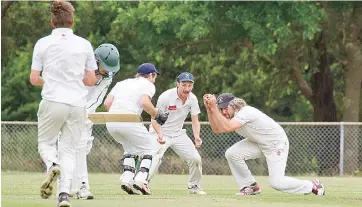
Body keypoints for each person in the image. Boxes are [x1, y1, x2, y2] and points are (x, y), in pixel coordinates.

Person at [30, 1, 98, 206]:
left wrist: (48, 81)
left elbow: (34, 78)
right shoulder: (84, 44)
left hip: (52, 101)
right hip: (77, 104)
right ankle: (64, 196)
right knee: (69, 151)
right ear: (72, 22)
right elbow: (90, 80)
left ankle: (52, 164)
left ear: (52, 22)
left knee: (46, 144)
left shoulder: (42, 43)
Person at [202, 93, 326, 196]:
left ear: (233, 105)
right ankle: (250, 186)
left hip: (276, 144)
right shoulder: (231, 117)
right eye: (220, 109)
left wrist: (214, 108)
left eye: (225, 108)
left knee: (277, 183)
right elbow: (217, 129)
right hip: (259, 143)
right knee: (232, 154)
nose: (223, 112)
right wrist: (210, 109)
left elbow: (228, 127)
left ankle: (312, 185)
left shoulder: (245, 112)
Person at [63, 43, 120, 199]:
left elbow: (98, 97)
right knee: (78, 146)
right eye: (106, 66)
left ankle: (67, 186)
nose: (108, 70)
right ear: (96, 60)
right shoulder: (80, 67)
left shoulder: (109, 75)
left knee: (84, 147)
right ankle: (82, 187)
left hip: (86, 111)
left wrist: (86, 113)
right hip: (67, 106)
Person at [103, 63, 169, 195]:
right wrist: (156, 114)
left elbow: (107, 104)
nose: (154, 79)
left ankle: (127, 180)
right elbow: (144, 103)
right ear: (151, 75)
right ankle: (141, 180)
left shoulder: (122, 83)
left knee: (130, 150)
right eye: (154, 76)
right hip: (129, 120)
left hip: (111, 121)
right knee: (150, 148)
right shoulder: (148, 84)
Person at [148, 72, 206, 195]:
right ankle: (142, 184)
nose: (187, 89)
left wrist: (197, 137)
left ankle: (194, 186)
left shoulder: (193, 99)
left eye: (190, 85)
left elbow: (195, 121)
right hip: (160, 131)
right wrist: (159, 133)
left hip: (178, 134)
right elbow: (154, 119)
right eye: (184, 85)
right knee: (154, 157)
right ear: (177, 84)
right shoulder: (165, 97)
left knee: (195, 159)